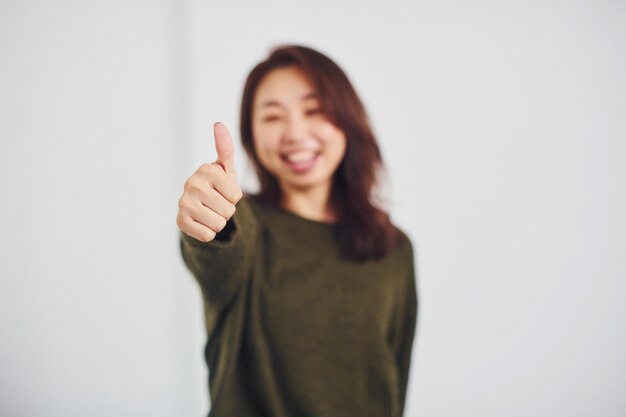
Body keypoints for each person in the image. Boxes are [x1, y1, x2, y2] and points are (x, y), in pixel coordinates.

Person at [177, 44, 418, 417]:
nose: (295, 132)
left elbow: (395, 383)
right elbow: (217, 248)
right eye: (272, 117)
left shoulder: (393, 248)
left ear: (347, 118)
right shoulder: (245, 223)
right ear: (251, 135)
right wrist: (209, 218)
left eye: (314, 109)